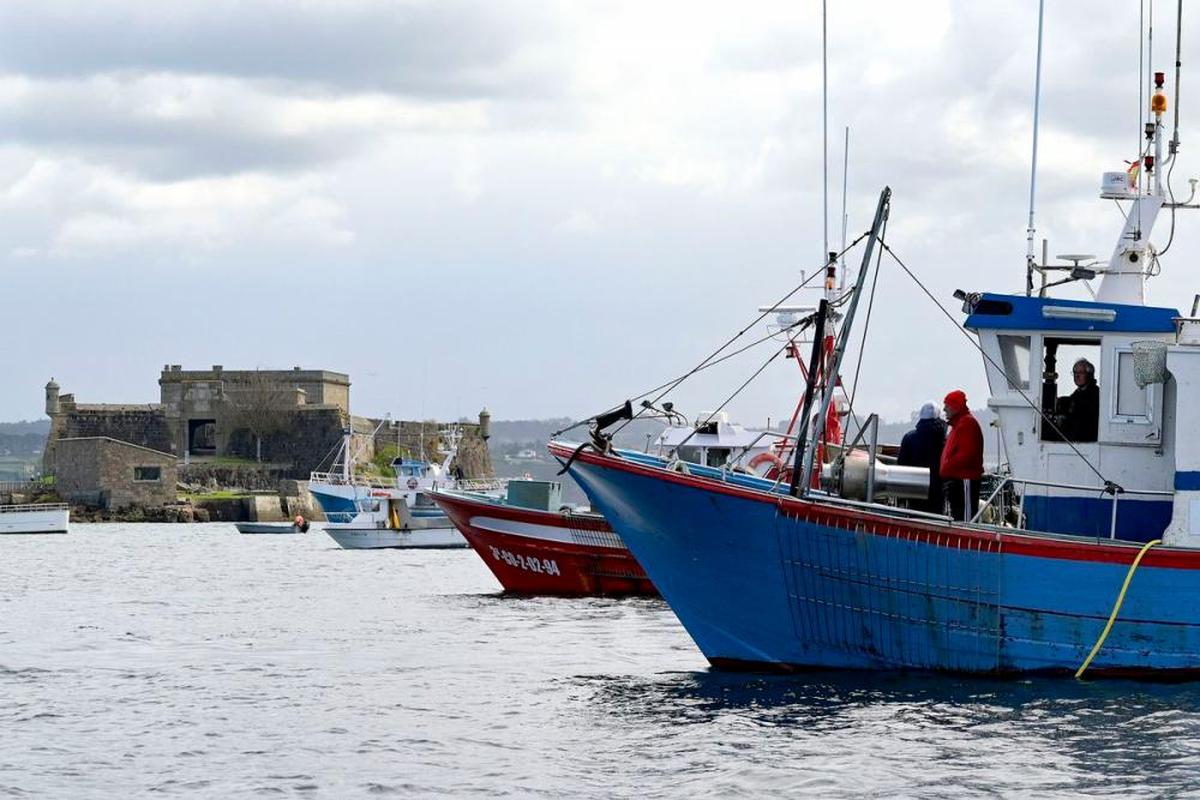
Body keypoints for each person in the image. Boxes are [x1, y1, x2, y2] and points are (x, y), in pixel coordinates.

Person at [940, 389, 984, 522]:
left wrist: (948, 467)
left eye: (947, 405)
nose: (944, 409)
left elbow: (967, 455)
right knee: (958, 516)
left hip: (965, 480)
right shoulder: (958, 425)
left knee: (966, 519)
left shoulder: (967, 424)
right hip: (957, 480)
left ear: (955, 406)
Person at [897, 401, 945, 514]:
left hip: (915, 488)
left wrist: (901, 496)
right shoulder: (945, 440)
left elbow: (902, 465)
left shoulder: (909, 438)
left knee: (915, 519)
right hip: (938, 490)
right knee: (937, 520)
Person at [1061, 358, 1100, 443]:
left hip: (1087, 442)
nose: (1077, 376)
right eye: (1075, 373)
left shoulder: (1096, 395)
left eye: (1081, 373)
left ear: (1089, 374)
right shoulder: (1075, 395)